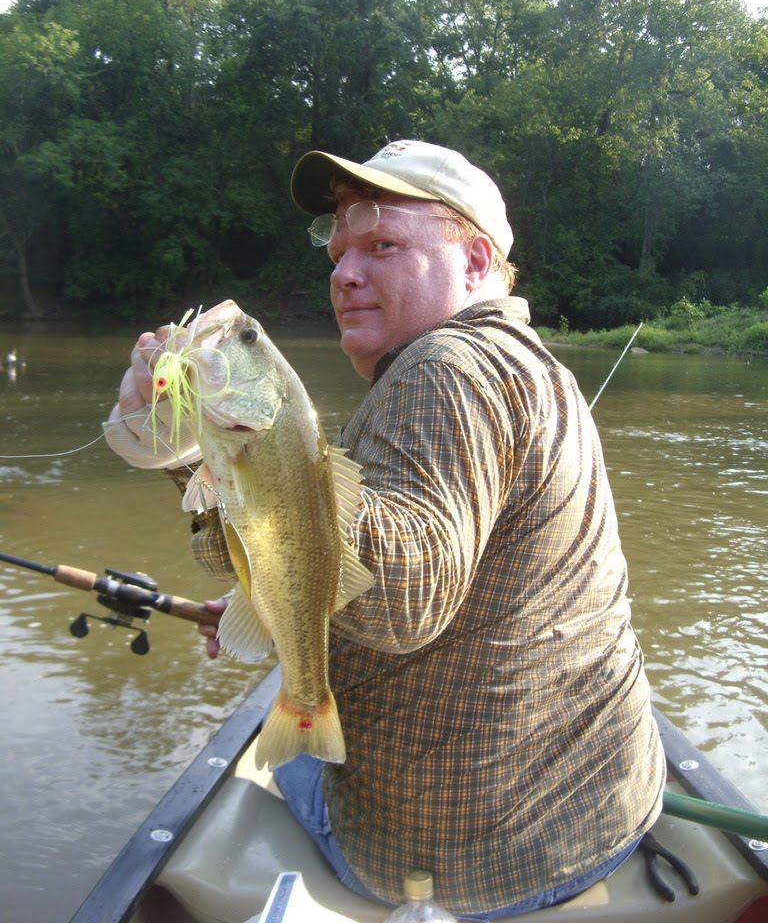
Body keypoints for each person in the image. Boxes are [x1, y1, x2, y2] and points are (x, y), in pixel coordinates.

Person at [103, 139, 665, 918]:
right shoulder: (533, 365)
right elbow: (397, 560)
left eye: (382, 245)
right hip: (600, 812)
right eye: (337, 253)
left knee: (287, 760)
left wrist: (211, 448)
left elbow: (401, 602)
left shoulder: (447, 368)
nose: (342, 273)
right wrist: (269, 590)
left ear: (474, 263)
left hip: (466, 860)